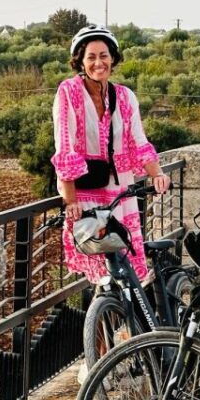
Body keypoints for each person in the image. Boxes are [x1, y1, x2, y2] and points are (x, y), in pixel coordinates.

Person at [50, 25, 170, 283]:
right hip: (84, 193)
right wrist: (70, 200)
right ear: (80, 61)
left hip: (120, 192)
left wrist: (157, 174)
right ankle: (103, 317)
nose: (98, 62)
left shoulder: (125, 96)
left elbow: (139, 141)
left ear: (113, 58)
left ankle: (126, 318)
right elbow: (65, 146)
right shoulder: (69, 92)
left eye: (103, 55)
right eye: (91, 57)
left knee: (124, 265)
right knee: (101, 270)